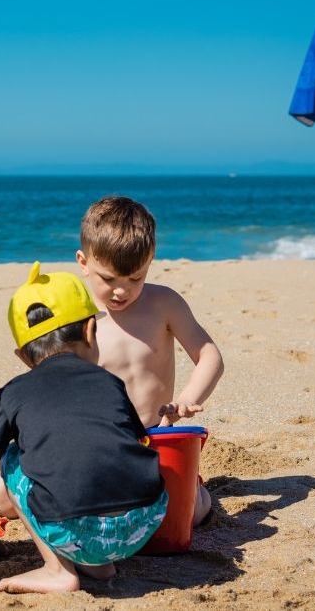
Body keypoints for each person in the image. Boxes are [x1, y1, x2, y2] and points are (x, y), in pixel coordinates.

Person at [0, 262, 168, 594]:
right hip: (144, 524)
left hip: (76, 531)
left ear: (23, 357)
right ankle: (98, 566)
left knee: (13, 455)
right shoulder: (111, 383)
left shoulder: (9, 396)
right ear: (89, 331)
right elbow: (132, 443)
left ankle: (57, 570)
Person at [76, 195, 224, 525]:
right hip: (100, 444)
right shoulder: (77, 314)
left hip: (156, 438)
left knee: (190, 516)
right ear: (83, 262)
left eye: (135, 279)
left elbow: (209, 355)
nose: (121, 291)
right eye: (109, 278)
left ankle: (196, 490)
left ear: (150, 261)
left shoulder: (163, 304)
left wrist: (187, 399)